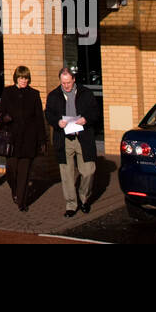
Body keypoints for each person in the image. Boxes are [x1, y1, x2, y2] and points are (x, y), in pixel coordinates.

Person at [45, 66, 99, 216]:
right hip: (64, 139)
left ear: (73, 79)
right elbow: (48, 114)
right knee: (66, 174)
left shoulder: (86, 93)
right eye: (63, 83)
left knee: (88, 171)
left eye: (68, 82)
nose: (66, 86)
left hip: (83, 137)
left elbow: (95, 112)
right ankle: (71, 204)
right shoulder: (54, 95)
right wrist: (57, 122)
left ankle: (84, 198)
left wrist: (85, 119)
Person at [0, 65, 45, 211]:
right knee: (12, 171)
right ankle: (15, 191)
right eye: (21, 78)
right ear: (16, 78)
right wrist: (4, 118)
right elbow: (0, 113)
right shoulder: (8, 92)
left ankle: (22, 201)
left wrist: (42, 140)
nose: (23, 80)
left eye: (26, 78)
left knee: (24, 172)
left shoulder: (34, 94)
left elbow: (39, 120)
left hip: (29, 139)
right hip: (12, 139)